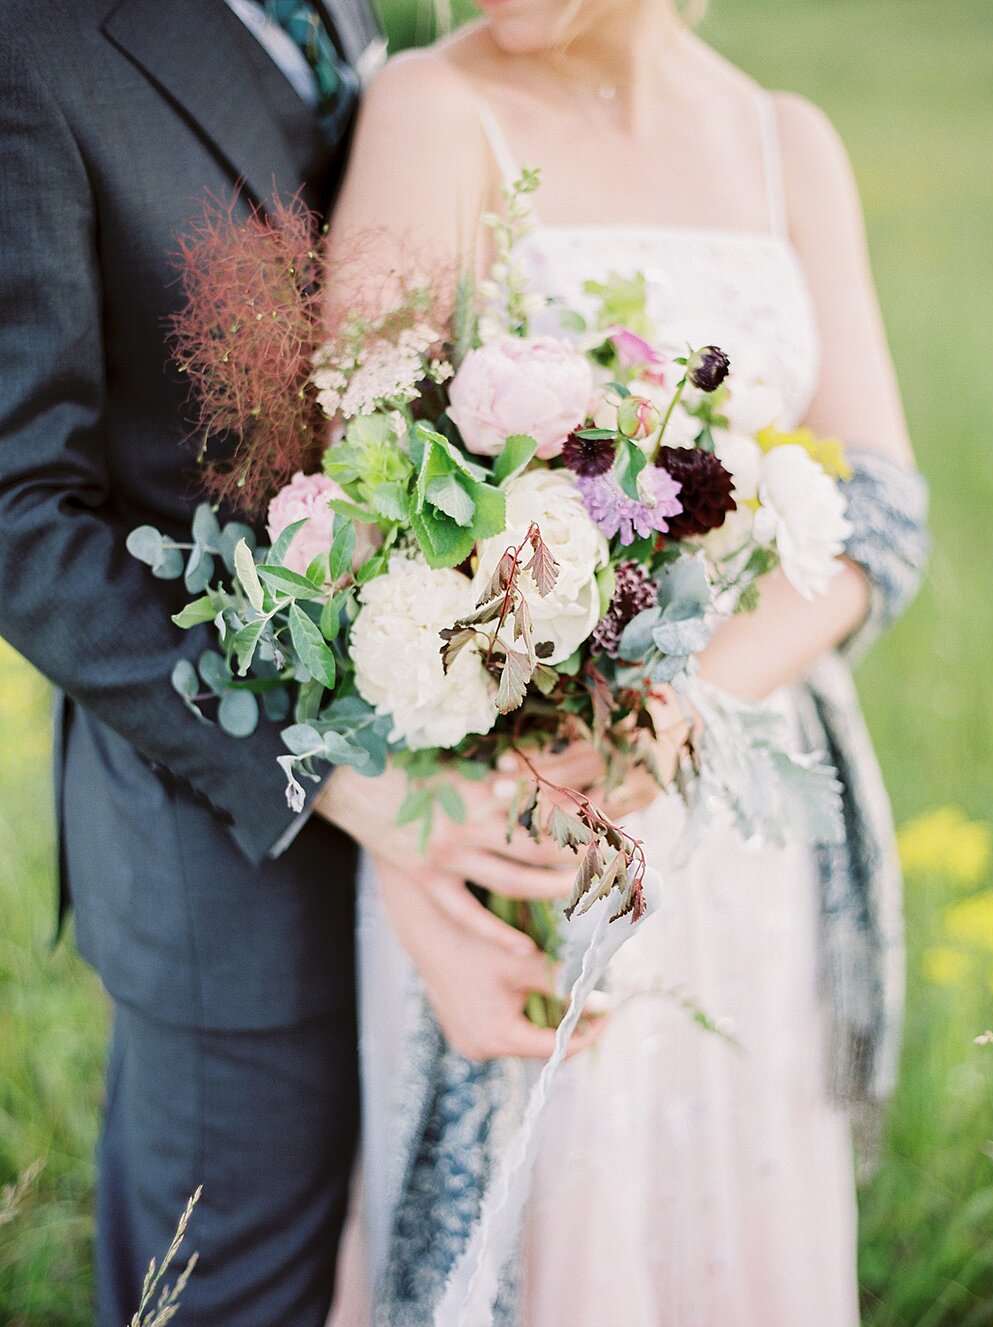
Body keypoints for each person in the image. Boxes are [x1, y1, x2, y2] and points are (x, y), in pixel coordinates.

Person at [320, 1, 929, 1324]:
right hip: (516, 812)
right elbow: (355, 503)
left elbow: (882, 510)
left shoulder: (787, 143)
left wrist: (683, 700)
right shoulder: (431, 105)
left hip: (738, 828)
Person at [0, 3, 590, 1324]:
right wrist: (325, 769)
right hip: (232, 852)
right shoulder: (33, 48)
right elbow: (18, 513)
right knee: (235, 1293)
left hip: (463, 801)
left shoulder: (365, 18)